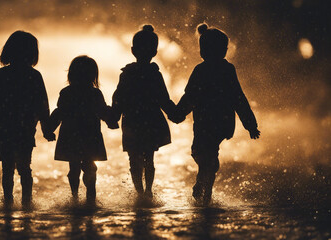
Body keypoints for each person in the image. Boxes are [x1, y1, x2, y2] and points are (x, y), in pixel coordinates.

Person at [171, 23, 260, 206]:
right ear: (225, 50)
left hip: (206, 123)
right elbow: (239, 99)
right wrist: (250, 124)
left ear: (202, 51)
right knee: (209, 156)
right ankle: (205, 187)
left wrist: (178, 113)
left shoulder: (203, 70)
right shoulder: (226, 70)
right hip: (221, 123)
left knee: (203, 154)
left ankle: (204, 189)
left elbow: (191, 97)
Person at [0, 31, 54, 209]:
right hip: (24, 128)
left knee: (8, 167)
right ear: (33, 54)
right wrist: (46, 128)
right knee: (24, 167)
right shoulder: (33, 76)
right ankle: (26, 204)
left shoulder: (3, 74)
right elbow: (42, 106)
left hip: (5, 128)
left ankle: (9, 203)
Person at [112, 25, 176, 199]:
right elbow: (164, 99)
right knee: (149, 158)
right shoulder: (155, 74)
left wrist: (113, 117)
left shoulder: (127, 74)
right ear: (154, 52)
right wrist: (175, 113)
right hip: (151, 120)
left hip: (132, 121)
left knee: (134, 160)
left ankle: (140, 192)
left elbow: (118, 97)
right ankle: (148, 191)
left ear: (133, 50)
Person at [47, 55, 118, 204]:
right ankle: (91, 197)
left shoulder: (66, 92)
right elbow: (102, 111)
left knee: (74, 168)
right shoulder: (95, 93)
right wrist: (111, 120)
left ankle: (75, 198)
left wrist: (48, 129)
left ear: (71, 74)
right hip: (90, 136)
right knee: (89, 167)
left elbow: (59, 112)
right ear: (93, 75)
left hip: (70, 135)